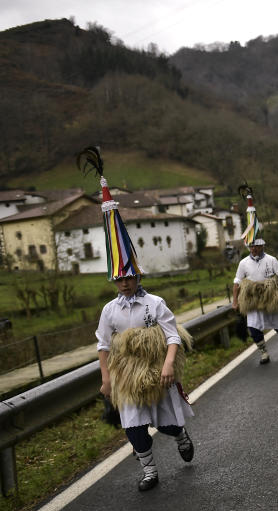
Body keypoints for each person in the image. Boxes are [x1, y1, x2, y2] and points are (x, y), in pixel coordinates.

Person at [83, 156, 194, 493]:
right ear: (114, 280)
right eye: (118, 279)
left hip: (157, 370)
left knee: (167, 424)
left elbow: (172, 335)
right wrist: (106, 379)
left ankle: (181, 435)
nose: (124, 283)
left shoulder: (154, 303)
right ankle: (149, 472)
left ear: (136, 275)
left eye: (128, 277)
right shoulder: (109, 310)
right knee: (133, 427)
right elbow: (103, 345)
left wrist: (169, 364)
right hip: (127, 378)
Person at [233, 238, 278, 364]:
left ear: (262, 246)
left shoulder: (271, 260)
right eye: (251, 246)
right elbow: (237, 283)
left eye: (256, 246)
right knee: (253, 327)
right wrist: (235, 301)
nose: (253, 249)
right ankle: (264, 352)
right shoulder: (243, 263)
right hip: (252, 298)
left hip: (270, 297)